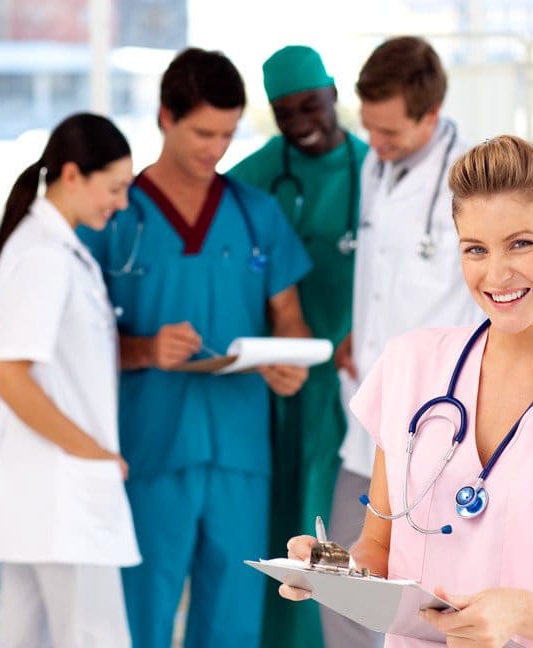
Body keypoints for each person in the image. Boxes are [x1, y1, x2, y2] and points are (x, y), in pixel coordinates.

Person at [282, 135, 533, 647]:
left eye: (521, 243)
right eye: (475, 249)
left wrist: (521, 614)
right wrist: (330, 570)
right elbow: (378, 547)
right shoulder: (409, 366)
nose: (496, 274)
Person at [78, 47, 312, 648]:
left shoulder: (255, 213)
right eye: (203, 133)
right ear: (164, 117)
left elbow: (290, 318)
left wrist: (289, 360)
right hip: (148, 449)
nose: (216, 149)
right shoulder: (113, 215)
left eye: (228, 135)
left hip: (239, 453)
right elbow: (72, 346)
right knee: (141, 616)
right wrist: (144, 351)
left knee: (233, 622)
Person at [326, 35, 482, 647]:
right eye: (370, 128)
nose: (377, 143)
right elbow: (385, 277)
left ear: (430, 116)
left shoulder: (468, 181)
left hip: (439, 419)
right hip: (367, 413)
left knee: (430, 600)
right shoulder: (375, 164)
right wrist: (358, 333)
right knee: (337, 582)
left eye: (389, 131)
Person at [0, 112, 139, 647]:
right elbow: (10, 379)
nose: (121, 203)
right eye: (114, 188)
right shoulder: (45, 254)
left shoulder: (57, 247)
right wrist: (93, 452)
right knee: (94, 636)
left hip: (47, 490)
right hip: (59, 488)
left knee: (21, 634)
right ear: (72, 175)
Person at [228, 44, 369, 648]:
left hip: (350, 380)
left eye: (311, 104)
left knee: (335, 529)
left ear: (334, 94)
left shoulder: (377, 172)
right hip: (271, 379)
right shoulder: (251, 178)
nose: (302, 120)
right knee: (273, 527)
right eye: (286, 112)